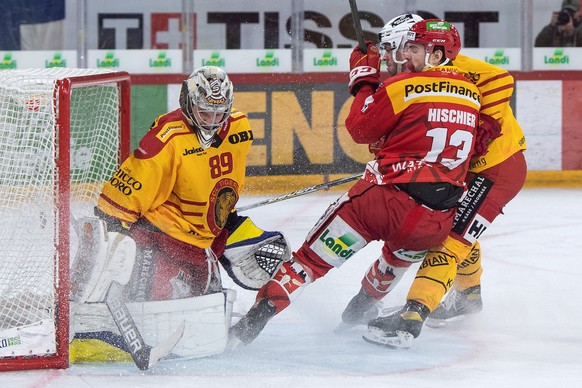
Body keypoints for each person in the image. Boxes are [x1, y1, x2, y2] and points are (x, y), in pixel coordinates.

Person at [228, 19, 482, 348]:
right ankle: (357, 312)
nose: (407, 55)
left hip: (380, 203)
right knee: (397, 255)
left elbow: (360, 130)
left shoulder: (403, 85)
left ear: (438, 54)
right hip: (434, 217)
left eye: (415, 49)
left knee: (309, 262)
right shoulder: (473, 96)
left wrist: (363, 80)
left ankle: (253, 320)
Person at [68, 66, 290, 363]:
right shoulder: (165, 140)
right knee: (158, 309)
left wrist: (232, 226)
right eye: (204, 114)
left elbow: (213, 183)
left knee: (206, 302)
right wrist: (110, 247)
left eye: (218, 113)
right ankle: (89, 332)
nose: (212, 121)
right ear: (188, 103)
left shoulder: (238, 127)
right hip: (160, 238)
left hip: (206, 239)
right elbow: (119, 201)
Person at [340, 15, 527, 349]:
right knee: (450, 229)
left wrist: (484, 125)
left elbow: (501, 80)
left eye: (398, 47)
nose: (391, 55)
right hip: (462, 171)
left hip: (496, 168)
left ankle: (413, 316)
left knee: (449, 241)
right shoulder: (412, 75)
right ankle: (468, 297)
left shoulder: (448, 65)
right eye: (388, 48)